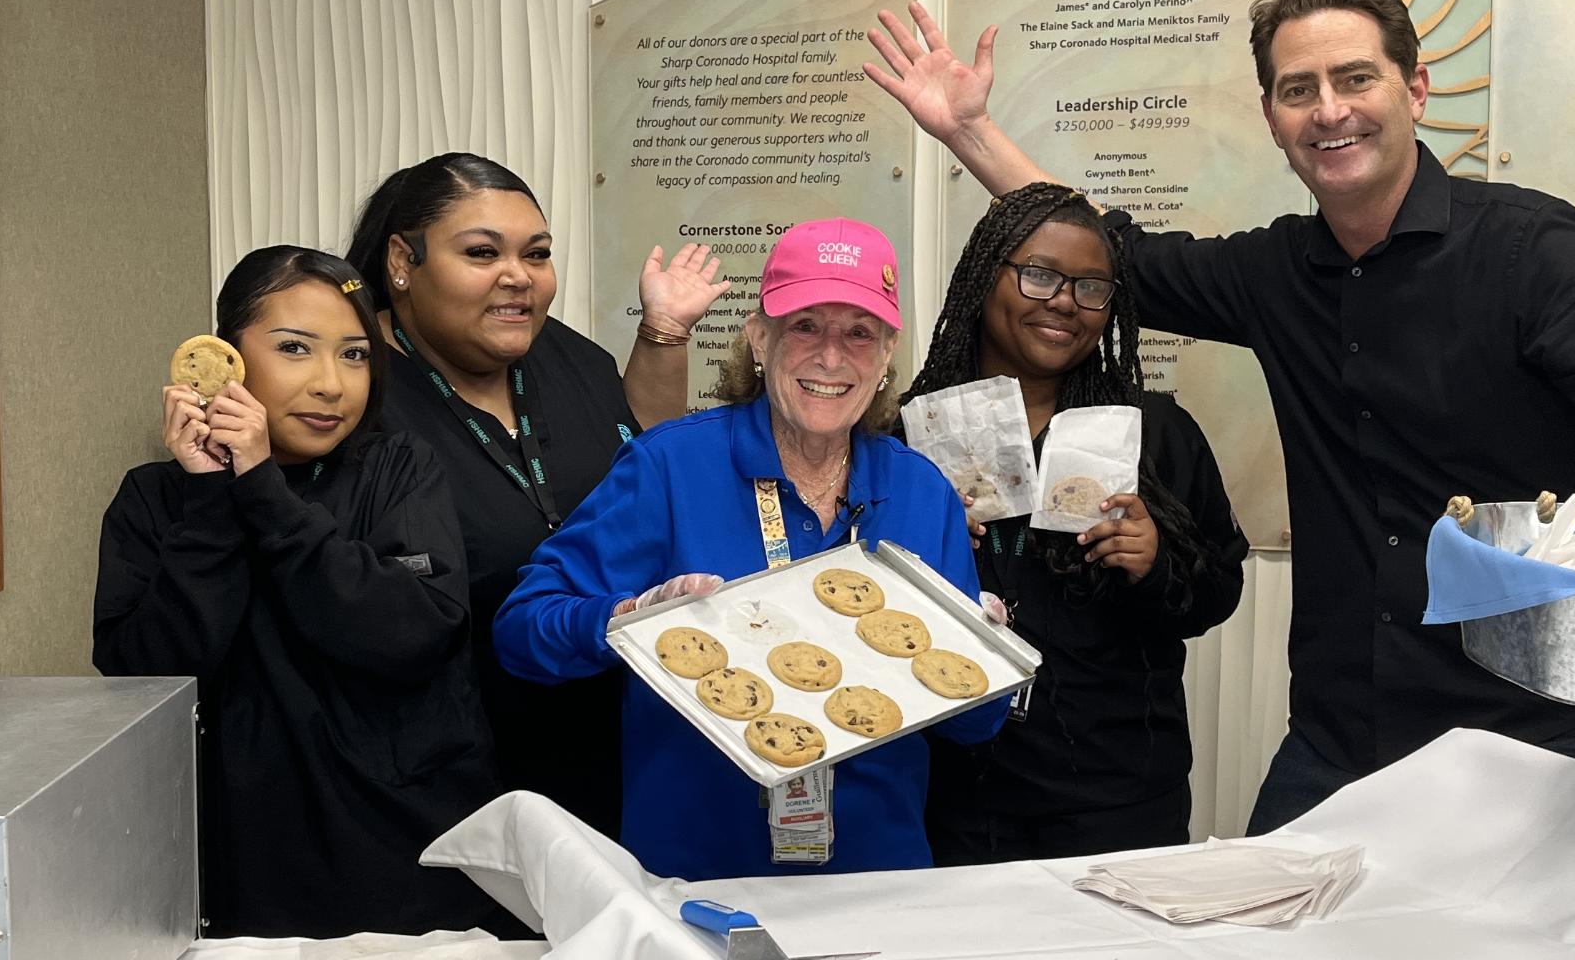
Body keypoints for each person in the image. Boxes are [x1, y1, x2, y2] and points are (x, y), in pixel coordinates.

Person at [864, 0, 1575, 834]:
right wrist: (970, 131)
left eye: (1355, 77)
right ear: (1273, 119)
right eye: (1299, 89)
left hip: (1542, 728)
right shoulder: (1275, 271)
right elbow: (1107, 253)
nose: (1330, 110)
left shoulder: (1530, 249)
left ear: (1415, 88)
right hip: (1345, 731)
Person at [492, 219, 1006, 880]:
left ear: (885, 356)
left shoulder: (919, 491)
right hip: (697, 881)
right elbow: (521, 630)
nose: (830, 357)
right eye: (805, 326)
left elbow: (972, 728)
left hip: (879, 879)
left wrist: (982, 662)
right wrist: (626, 621)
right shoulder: (671, 467)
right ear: (759, 338)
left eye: (858, 332)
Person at [94, 247, 502, 938]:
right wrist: (214, 498)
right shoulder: (156, 498)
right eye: (294, 348)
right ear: (225, 360)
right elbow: (148, 679)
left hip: (408, 852)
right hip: (236, 858)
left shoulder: (399, 469)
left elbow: (413, 634)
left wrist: (263, 492)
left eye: (354, 355)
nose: (331, 385)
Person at [344, 152, 726, 834]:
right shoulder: (348, 394)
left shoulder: (572, 359)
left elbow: (643, 458)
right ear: (402, 262)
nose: (518, 276)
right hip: (440, 773)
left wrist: (664, 334)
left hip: (600, 747)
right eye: (482, 252)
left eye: (537, 253)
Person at [902, 183, 1250, 863]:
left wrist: (1157, 565)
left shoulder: (1159, 435)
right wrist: (924, 542)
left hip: (1114, 796)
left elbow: (1219, 590)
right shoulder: (912, 438)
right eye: (1038, 275)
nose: (1064, 300)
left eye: (1092, 287)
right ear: (983, 277)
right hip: (954, 790)